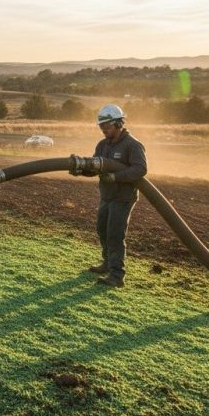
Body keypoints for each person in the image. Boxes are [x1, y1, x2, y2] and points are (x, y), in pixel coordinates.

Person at [87, 104, 147, 288]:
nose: (104, 129)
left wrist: (116, 176)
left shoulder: (132, 145)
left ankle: (117, 275)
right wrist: (80, 169)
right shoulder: (103, 145)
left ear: (119, 124)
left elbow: (140, 169)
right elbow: (95, 166)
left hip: (123, 197)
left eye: (107, 126)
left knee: (115, 234)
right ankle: (107, 263)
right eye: (101, 126)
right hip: (107, 195)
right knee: (102, 230)